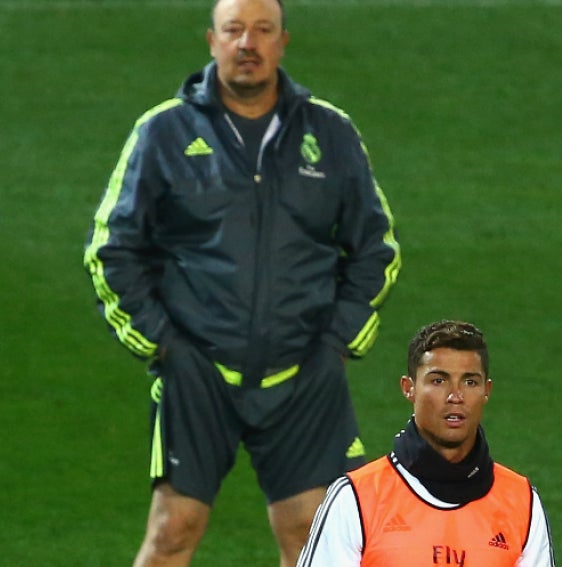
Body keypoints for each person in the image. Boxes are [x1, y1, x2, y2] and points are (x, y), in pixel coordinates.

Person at [82, 0, 401, 564]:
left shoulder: (329, 132)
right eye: (234, 31)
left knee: (311, 539)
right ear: (212, 41)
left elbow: (376, 245)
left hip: (303, 373)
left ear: (283, 43)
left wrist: (338, 339)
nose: (247, 44)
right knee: (173, 529)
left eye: (262, 30)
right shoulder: (162, 132)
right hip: (199, 371)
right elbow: (112, 248)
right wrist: (162, 342)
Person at [297, 320, 555, 566]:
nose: (456, 396)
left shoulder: (521, 502)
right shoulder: (355, 498)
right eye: (438, 380)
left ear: (486, 391)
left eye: (470, 382)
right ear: (409, 388)